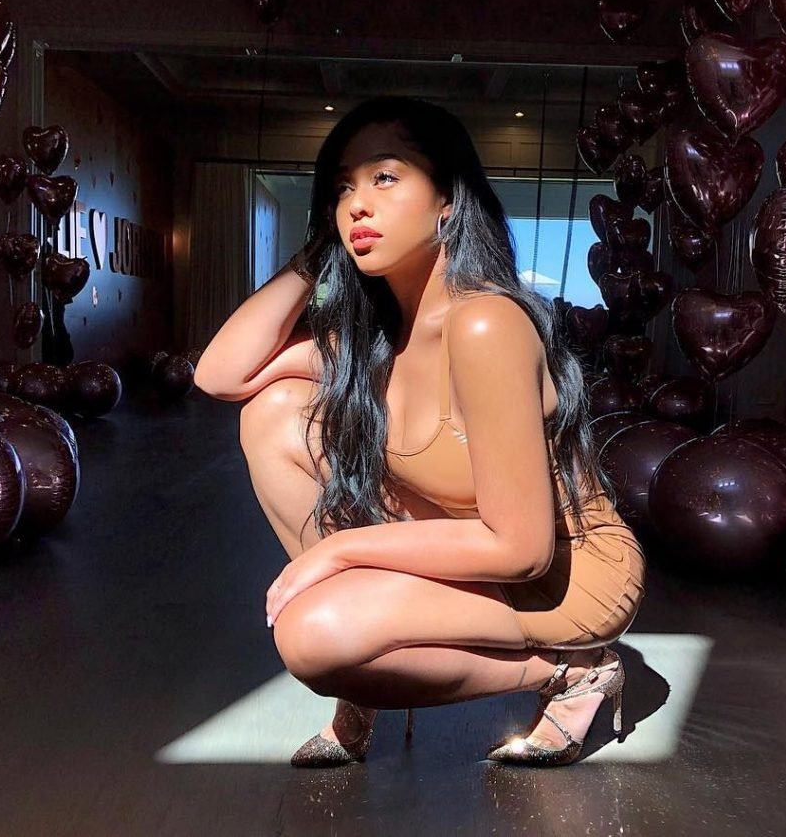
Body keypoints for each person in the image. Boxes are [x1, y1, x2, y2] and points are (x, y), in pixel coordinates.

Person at [194, 96, 645, 767]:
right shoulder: (373, 341)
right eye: (342, 188)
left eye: (384, 177)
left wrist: (337, 555)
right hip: (464, 545)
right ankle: (367, 665)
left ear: (447, 202)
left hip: (562, 572)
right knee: (272, 409)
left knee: (313, 633)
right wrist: (318, 252)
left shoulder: (485, 324)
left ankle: (571, 669)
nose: (357, 205)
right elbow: (220, 375)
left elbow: (521, 549)